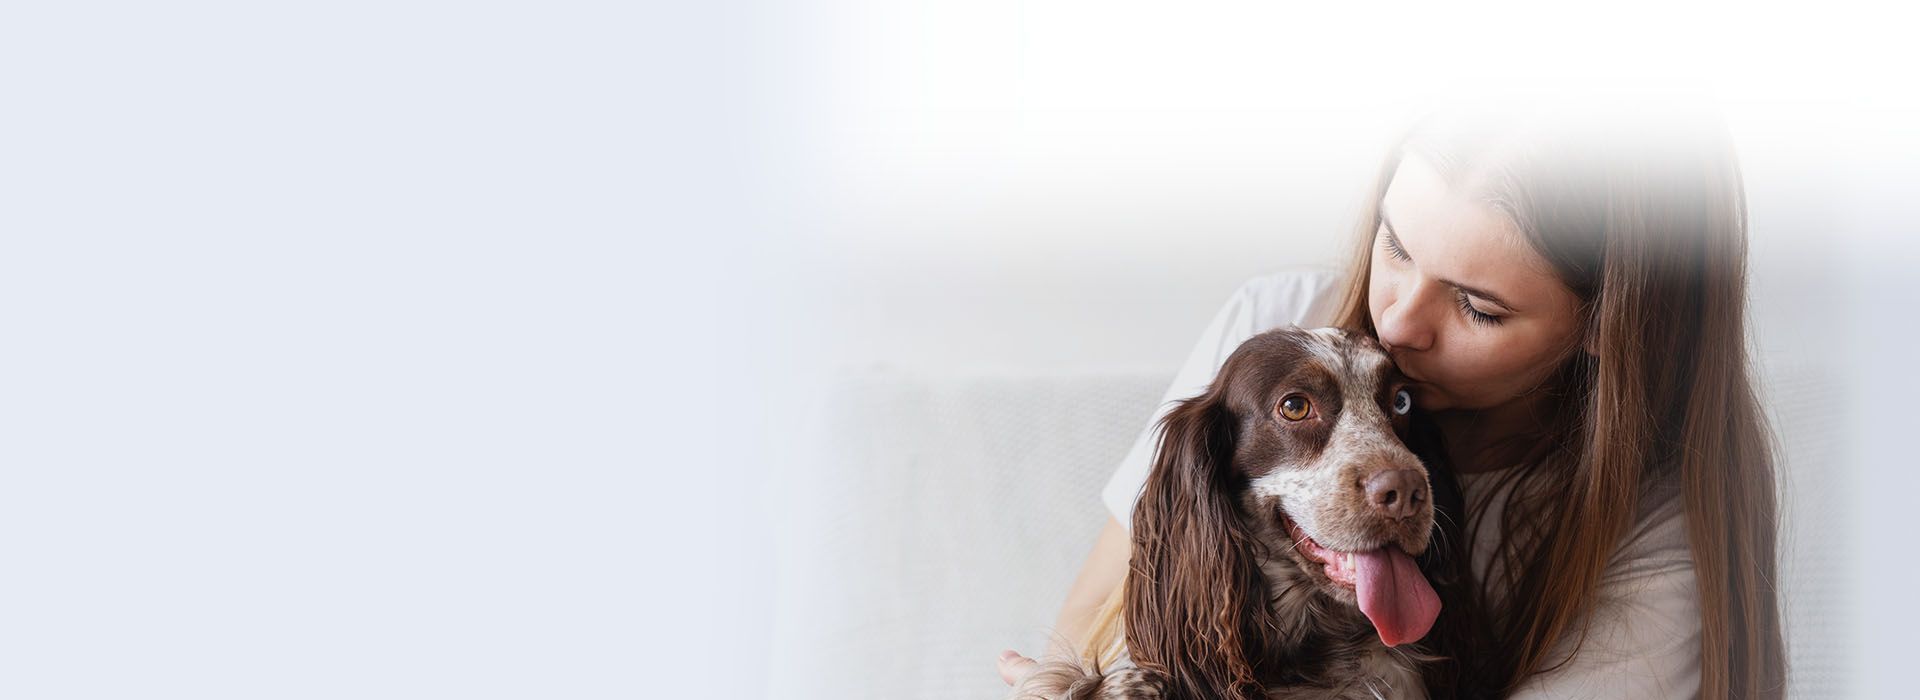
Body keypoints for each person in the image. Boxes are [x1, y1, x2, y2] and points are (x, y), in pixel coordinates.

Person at [997, 95, 1785, 698]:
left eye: (1477, 306)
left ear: (1612, 328)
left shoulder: (1655, 533)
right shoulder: (1278, 324)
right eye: (1397, 245)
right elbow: (1093, 632)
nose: (1397, 323)